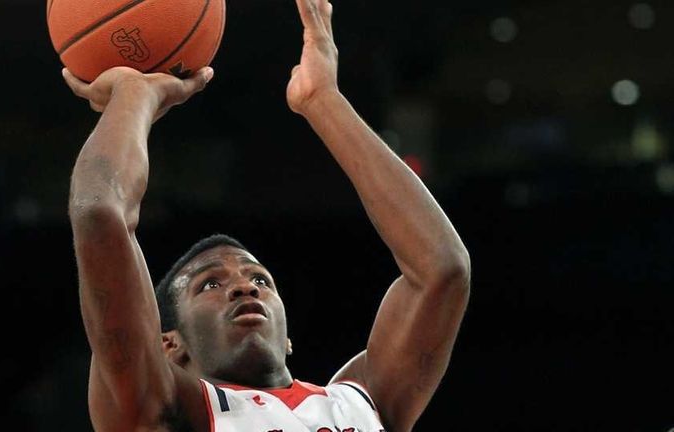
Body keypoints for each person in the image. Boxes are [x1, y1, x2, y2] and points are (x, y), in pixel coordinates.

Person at [63, 0, 471, 430]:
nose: (243, 288)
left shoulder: (361, 400)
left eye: (260, 280)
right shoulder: (167, 409)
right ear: (168, 345)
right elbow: (99, 215)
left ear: (289, 336)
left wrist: (324, 101)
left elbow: (442, 268)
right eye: (210, 284)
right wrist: (134, 94)